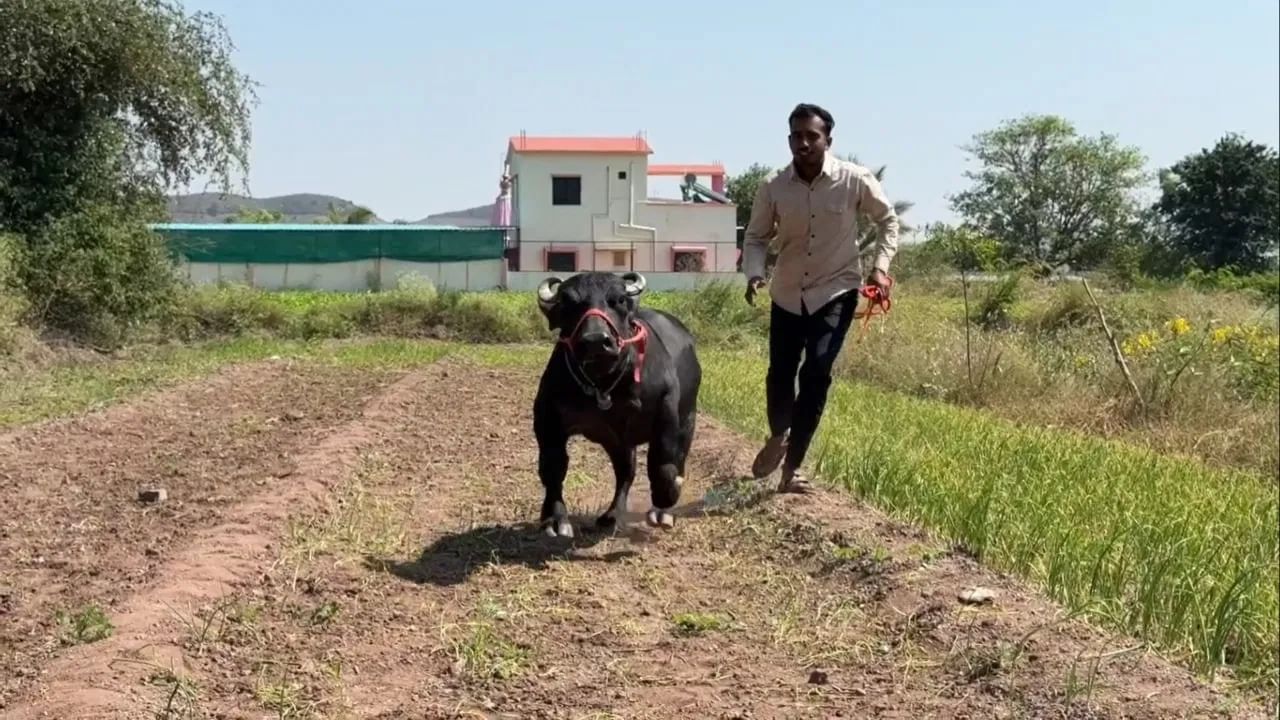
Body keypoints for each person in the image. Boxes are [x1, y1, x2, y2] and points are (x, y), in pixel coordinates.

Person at [740, 102, 900, 494]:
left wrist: (880, 267)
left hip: (837, 288)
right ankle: (779, 435)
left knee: (817, 372)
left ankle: (792, 468)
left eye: (812, 136)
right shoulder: (773, 186)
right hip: (788, 292)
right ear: (788, 140)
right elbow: (757, 237)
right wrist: (755, 272)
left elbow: (888, 221)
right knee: (780, 373)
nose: (804, 143)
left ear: (828, 139)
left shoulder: (854, 179)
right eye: (797, 136)